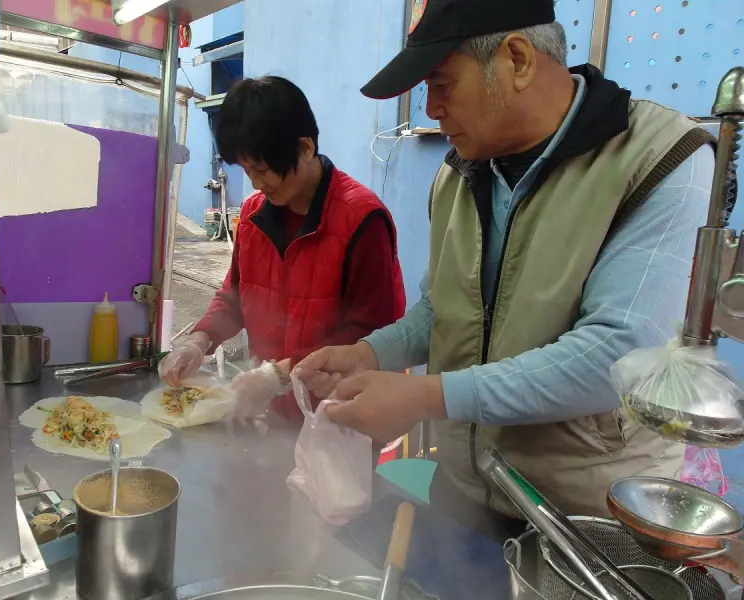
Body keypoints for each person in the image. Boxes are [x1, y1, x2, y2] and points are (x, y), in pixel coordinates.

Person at [295, 0, 718, 528]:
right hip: (467, 489)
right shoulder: (459, 174)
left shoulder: (660, 158)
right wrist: (371, 352)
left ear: (517, 59)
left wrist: (428, 396)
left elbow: (618, 355)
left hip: (586, 519)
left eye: (443, 85)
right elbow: (442, 307)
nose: (430, 110)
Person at [159, 76, 406, 421]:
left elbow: (372, 334)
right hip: (270, 411)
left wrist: (277, 374)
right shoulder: (252, 214)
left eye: (261, 169)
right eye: (246, 170)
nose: (256, 183)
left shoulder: (362, 220)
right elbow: (235, 295)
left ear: (305, 148)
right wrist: (200, 338)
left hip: (341, 414)